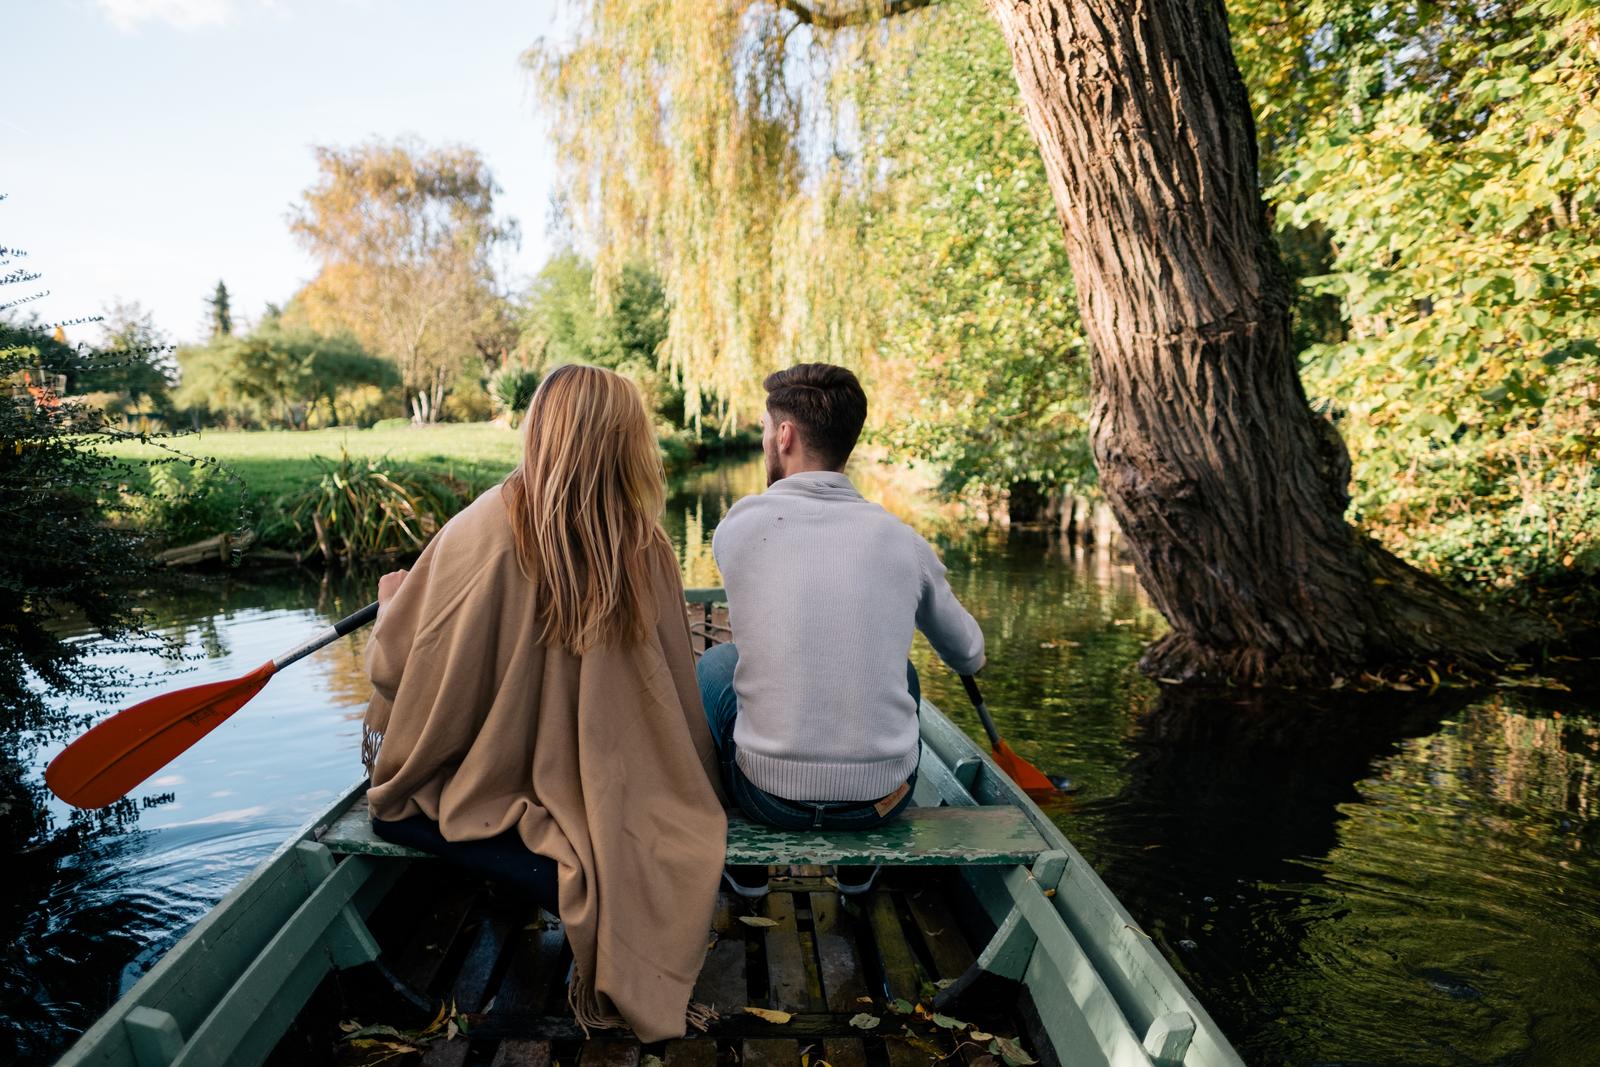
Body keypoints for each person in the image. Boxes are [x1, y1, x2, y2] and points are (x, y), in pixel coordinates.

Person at [360, 364, 727, 1042]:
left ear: (538, 431)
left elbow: (401, 665)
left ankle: (549, 882)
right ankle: (577, 881)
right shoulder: (645, 546)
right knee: (641, 825)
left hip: (488, 787)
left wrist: (392, 603)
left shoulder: (476, 532)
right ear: (629, 443)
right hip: (613, 791)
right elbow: (673, 690)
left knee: (392, 812)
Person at [697, 362, 985, 898]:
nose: (765, 440)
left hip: (766, 798)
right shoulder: (903, 541)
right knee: (903, 672)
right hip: (880, 803)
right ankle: (858, 868)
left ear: (784, 436)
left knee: (717, 665)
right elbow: (969, 653)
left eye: (766, 429)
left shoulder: (737, 527)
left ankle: (748, 866)